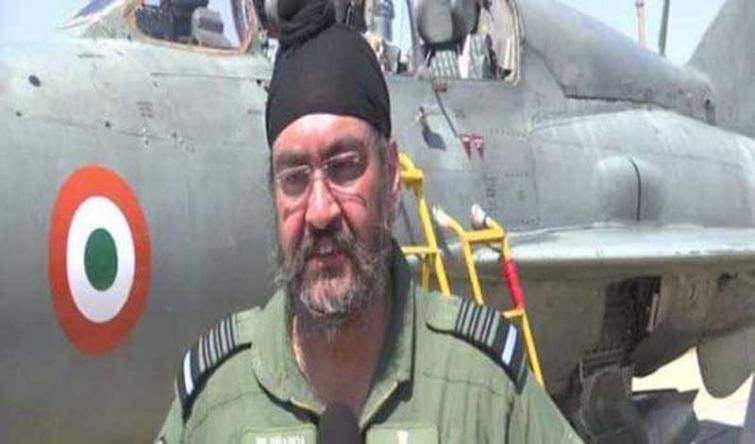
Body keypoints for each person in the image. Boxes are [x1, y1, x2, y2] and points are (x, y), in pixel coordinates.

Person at [156, 0, 583, 442]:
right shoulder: (214, 400)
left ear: (392, 175)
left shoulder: (483, 389)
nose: (320, 210)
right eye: (294, 177)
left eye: (344, 167)